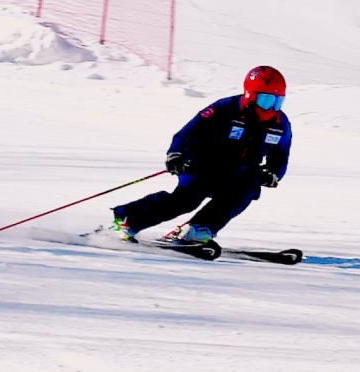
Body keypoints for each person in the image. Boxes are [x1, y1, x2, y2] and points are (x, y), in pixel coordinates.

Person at [111, 66, 292, 243]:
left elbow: (280, 155)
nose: (271, 108)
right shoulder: (224, 109)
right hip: (202, 165)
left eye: (277, 102)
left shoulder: (280, 125)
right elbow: (189, 133)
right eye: (266, 101)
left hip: (237, 175)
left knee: (246, 189)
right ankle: (127, 219)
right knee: (187, 201)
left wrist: (273, 173)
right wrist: (176, 154)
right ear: (250, 95)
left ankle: (200, 229)